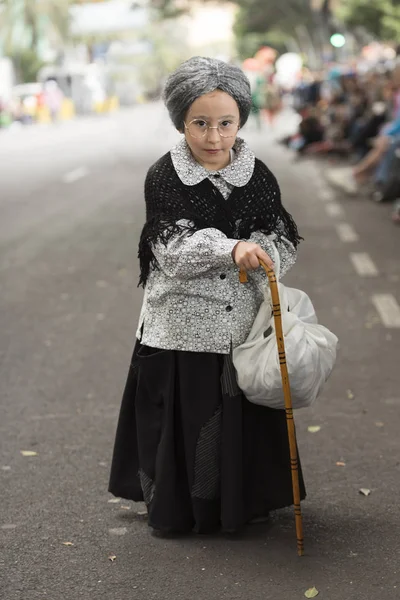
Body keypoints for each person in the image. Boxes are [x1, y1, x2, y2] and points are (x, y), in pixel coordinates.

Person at [108, 57, 304, 536]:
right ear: (181, 121)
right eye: (200, 124)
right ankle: (181, 511)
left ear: (240, 120)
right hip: (179, 328)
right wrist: (232, 247)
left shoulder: (258, 175)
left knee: (239, 420)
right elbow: (171, 248)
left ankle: (241, 506)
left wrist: (267, 252)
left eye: (225, 123)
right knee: (190, 425)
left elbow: (281, 236)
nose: (214, 137)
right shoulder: (164, 176)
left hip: (241, 325)